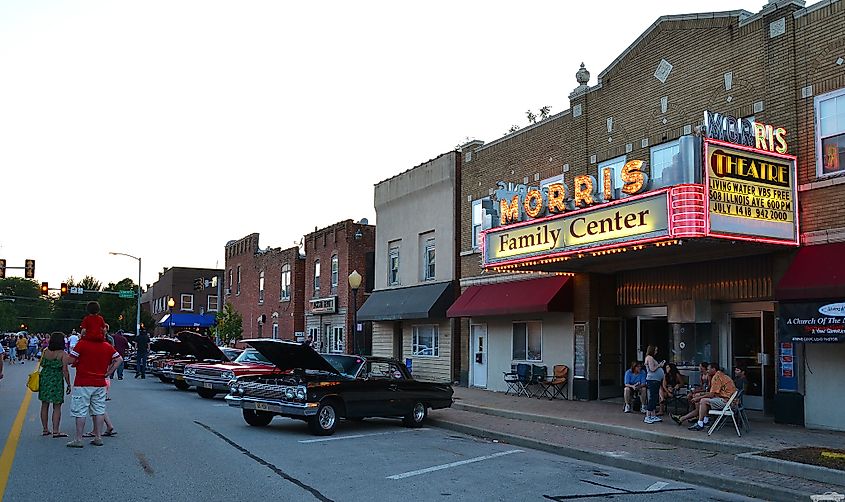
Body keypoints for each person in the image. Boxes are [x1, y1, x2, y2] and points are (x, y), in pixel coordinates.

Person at [66, 301, 122, 448]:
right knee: (99, 410)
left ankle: (78, 439)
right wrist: (108, 372)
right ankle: (98, 436)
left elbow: (70, 359)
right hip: (100, 383)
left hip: (83, 382)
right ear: (102, 329)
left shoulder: (82, 344)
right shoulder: (106, 346)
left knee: (80, 411)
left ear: (85, 329)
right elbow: (119, 359)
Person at [673, 362, 737, 431]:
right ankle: (704, 420)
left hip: (727, 402)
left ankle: (700, 423)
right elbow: (713, 393)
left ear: (713, 369)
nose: (707, 371)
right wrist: (700, 395)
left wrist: (698, 397)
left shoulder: (717, 377)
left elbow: (711, 394)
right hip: (727, 400)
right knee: (701, 401)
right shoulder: (721, 375)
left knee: (703, 401)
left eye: (708, 369)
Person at [38, 332, 72, 437]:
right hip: (56, 380)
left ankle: (45, 429)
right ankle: (56, 430)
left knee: (44, 404)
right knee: (57, 406)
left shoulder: (45, 351)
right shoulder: (62, 354)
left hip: (44, 379)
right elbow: (65, 370)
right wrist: (69, 384)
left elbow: (41, 363)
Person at [643, 345, 665, 424]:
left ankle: (653, 415)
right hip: (653, 380)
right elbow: (652, 369)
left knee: (654, 397)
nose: (656, 352)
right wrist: (660, 365)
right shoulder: (650, 358)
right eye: (655, 350)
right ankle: (648, 416)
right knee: (652, 398)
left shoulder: (650, 358)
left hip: (655, 380)